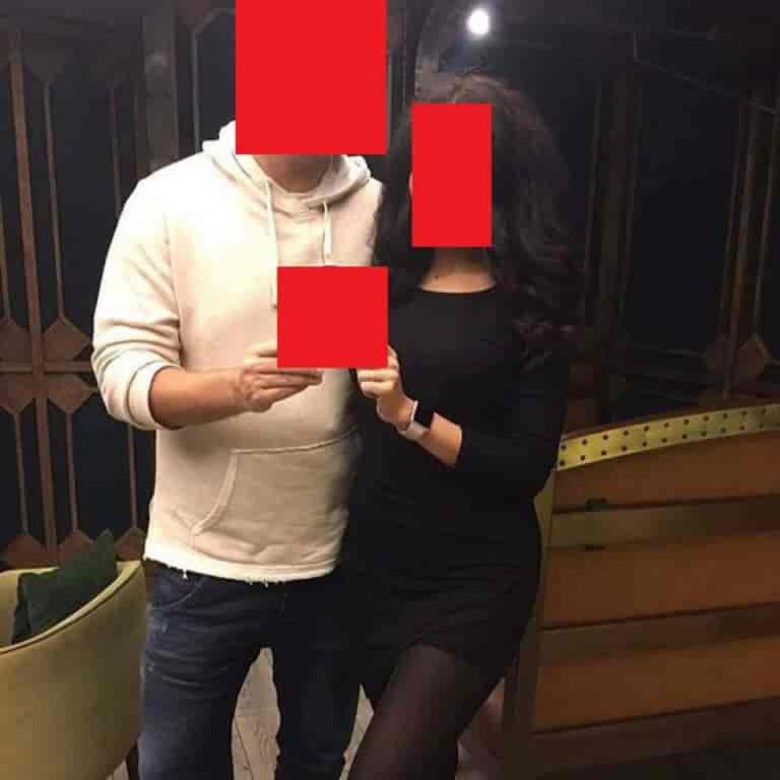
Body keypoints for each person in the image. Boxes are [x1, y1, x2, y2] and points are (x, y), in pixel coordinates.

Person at [92, 121, 381, 780]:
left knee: (316, 759)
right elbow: (120, 371)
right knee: (176, 767)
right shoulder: (168, 200)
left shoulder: (380, 207)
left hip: (337, 556)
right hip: (203, 559)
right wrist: (234, 389)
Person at [339, 74, 579, 779]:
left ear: (503, 182)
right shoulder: (376, 289)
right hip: (375, 568)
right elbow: (322, 405)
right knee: (423, 763)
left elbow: (524, 467)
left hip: (476, 581)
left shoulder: (531, 308)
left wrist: (411, 416)